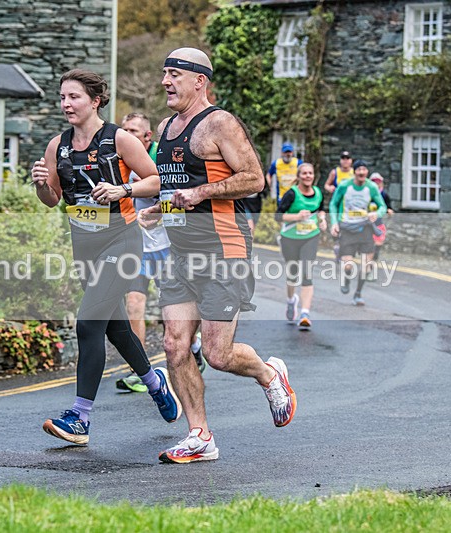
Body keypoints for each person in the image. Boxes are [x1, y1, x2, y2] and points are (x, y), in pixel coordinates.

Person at [139, 48, 297, 464]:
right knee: (174, 345)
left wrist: (202, 193)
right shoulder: (166, 128)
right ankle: (200, 436)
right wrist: (161, 209)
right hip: (181, 254)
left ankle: (268, 373)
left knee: (217, 353)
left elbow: (254, 179)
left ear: (199, 80)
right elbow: (176, 186)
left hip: (224, 249)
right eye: (164, 73)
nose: (165, 81)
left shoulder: (219, 123)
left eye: (174, 74)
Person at [31, 69, 181, 445]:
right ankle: (155, 383)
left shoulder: (119, 139)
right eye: (62, 97)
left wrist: (123, 189)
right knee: (115, 328)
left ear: (95, 100)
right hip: (84, 245)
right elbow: (51, 199)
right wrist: (41, 185)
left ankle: (80, 417)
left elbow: (157, 180)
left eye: (74, 97)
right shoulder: (57, 146)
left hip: (122, 240)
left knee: (88, 322)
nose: (66, 104)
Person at [116, 112, 205, 393]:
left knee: (173, 312)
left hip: (168, 246)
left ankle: (193, 345)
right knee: (134, 304)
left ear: (147, 136)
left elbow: (183, 199)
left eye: (133, 131)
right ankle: (140, 371)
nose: (126, 135)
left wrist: (155, 205)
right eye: (124, 130)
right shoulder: (118, 160)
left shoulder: (163, 159)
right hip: (137, 246)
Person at [275, 162, 327, 329]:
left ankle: (305, 313)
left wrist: (322, 220)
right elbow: (278, 216)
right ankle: (291, 300)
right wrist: (297, 217)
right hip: (290, 238)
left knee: (307, 273)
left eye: (310, 173)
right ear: (298, 176)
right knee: (292, 274)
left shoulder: (318, 193)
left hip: (310, 237)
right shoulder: (292, 194)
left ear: (313, 175)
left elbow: (320, 210)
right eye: (304, 173)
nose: (307, 176)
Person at [329, 160, 387, 306]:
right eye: (358, 170)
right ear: (354, 172)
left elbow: (382, 206)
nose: (361, 172)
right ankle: (347, 279)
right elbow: (333, 204)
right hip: (348, 228)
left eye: (364, 169)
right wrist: (334, 222)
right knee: (347, 265)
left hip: (365, 228)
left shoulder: (371, 187)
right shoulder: (344, 186)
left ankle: (358, 293)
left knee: (366, 264)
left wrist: (377, 213)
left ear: (367, 172)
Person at [368, 173, 394, 262]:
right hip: (367, 222)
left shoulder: (384, 195)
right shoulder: (366, 194)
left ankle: (375, 255)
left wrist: (389, 210)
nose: (376, 184)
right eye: (374, 182)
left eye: (378, 182)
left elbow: (388, 206)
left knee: (379, 240)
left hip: (379, 221)